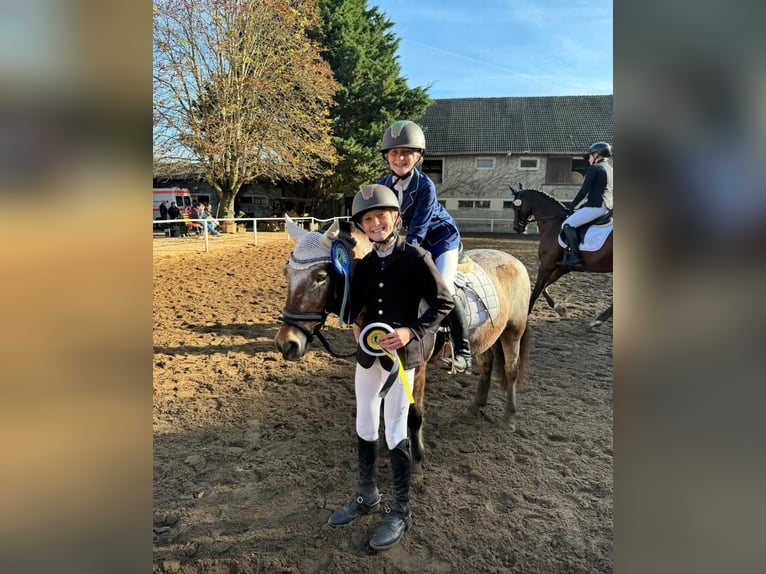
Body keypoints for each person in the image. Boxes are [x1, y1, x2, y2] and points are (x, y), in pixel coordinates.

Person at [328, 184, 454, 551]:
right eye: (368, 219)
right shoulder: (364, 266)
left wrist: (410, 330)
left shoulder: (416, 257)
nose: (376, 223)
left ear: (395, 218)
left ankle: (401, 510)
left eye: (382, 216)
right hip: (368, 357)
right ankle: (367, 494)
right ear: (363, 226)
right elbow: (353, 308)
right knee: (364, 423)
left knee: (396, 428)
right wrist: (343, 281)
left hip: (402, 359)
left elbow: (443, 302)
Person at [377, 120, 472, 373]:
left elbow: (418, 231)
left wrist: (401, 258)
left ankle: (463, 351)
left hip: (441, 240)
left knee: (445, 289)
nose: (400, 158)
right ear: (387, 156)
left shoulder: (425, 186)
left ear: (418, 156)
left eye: (406, 152)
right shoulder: (383, 185)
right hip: (414, 240)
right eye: (394, 152)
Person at [559, 141, 614, 268]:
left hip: (597, 206)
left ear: (596, 154)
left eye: (589, 156)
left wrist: (573, 205)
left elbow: (584, 190)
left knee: (567, 225)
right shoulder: (611, 169)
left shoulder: (595, 168)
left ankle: (575, 257)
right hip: (607, 207)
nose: (588, 159)